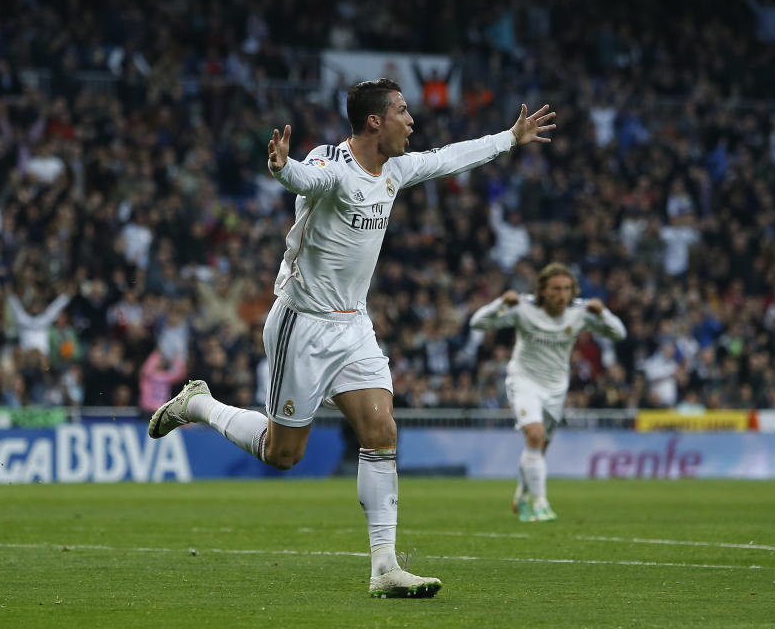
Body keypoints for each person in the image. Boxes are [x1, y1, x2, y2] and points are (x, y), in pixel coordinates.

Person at [148, 78, 556, 598]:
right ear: (374, 122)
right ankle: (200, 405)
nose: (412, 121)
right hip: (304, 324)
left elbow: (450, 158)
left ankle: (385, 567)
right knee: (282, 454)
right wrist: (280, 168)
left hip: (354, 326)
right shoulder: (332, 166)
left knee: (381, 430)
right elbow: (306, 179)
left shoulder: (395, 169)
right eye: (403, 112)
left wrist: (508, 137)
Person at [469, 263, 626, 522]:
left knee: (538, 448)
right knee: (535, 433)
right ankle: (541, 502)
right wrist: (500, 302)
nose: (561, 294)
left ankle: (520, 498)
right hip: (524, 381)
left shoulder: (580, 313)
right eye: (555, 289)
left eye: (566, 289)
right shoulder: (523, 309)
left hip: (556, 388)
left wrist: (604, 313)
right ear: (543, 290)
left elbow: (619, 334)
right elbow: (477, 323)